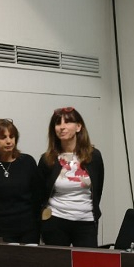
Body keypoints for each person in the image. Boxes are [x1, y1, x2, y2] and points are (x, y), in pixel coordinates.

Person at [37, 106, 104, 247]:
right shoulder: (47, 159)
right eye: (58, 123)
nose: (62, 127)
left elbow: (98, 189)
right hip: (56, 220)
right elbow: (40, 193)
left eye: (67, 122)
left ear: (78, 127)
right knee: (57, 261)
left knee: (87, 260)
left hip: (86, 220)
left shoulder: (94, 156)